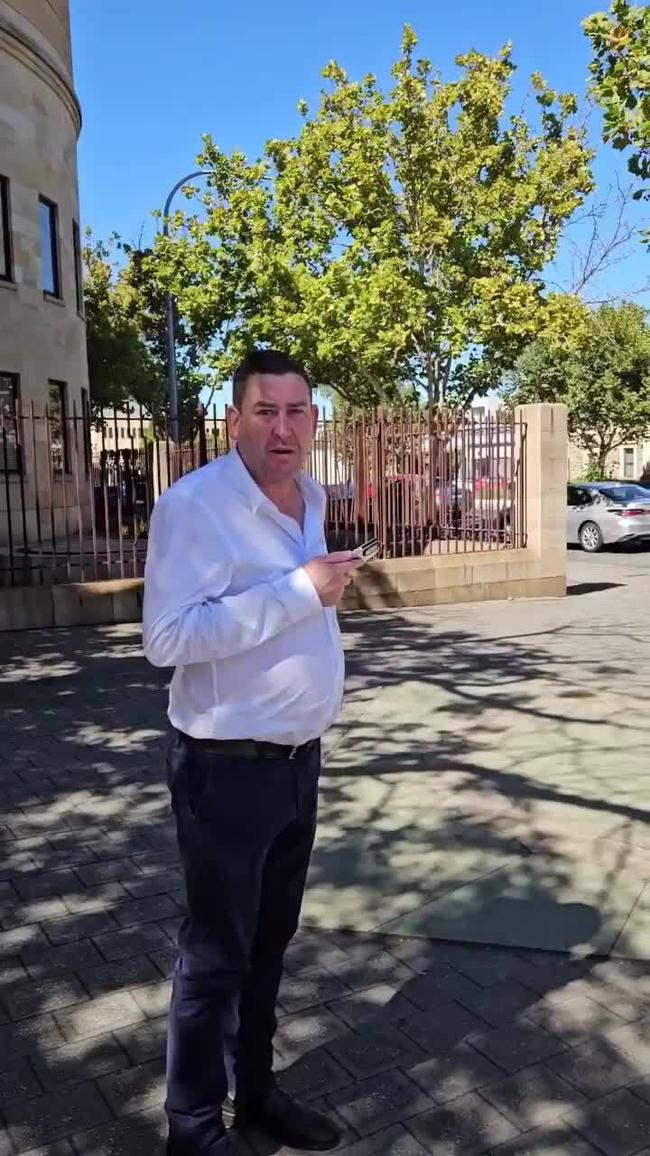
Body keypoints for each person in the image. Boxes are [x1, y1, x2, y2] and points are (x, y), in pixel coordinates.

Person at [142, 349, 356, 1156]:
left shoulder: (312, 494)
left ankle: (256, 1094)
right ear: (234, 419)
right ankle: (192, 1128)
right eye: (265, 411)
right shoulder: (194, 506)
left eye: (298, 411)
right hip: (224, 770)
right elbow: (165, 640)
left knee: (269, 946)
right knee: (215, 956)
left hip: (299, 762)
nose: (283, 427)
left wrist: (312, 594)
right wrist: (300, 590)